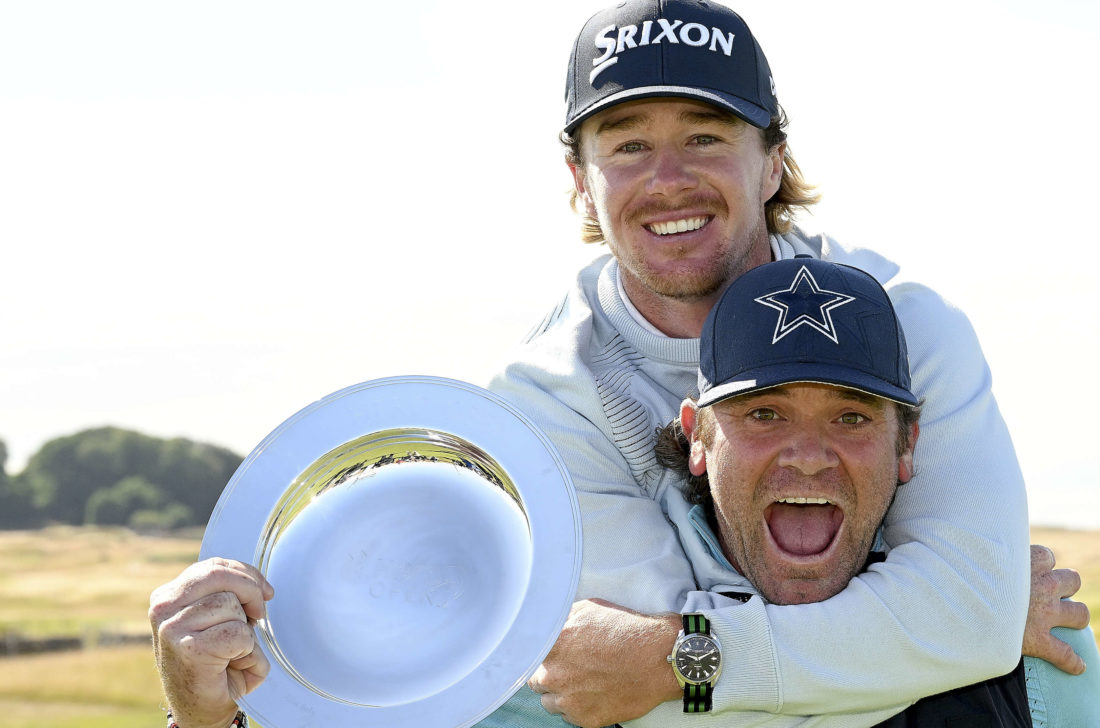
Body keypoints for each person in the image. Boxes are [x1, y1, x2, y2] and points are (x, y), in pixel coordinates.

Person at [147, 1, 1091, 727]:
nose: (668, 178)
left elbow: (659, 662)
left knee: (1058, 667)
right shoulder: (545, 400)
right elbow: (649, 684)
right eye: (629, 144)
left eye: (706, 138)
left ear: (771, 163)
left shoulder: (908, 319)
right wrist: (938, 636)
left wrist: (961, 633)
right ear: (581, 180)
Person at [651, 255, 1098, 725]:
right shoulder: (605, 644)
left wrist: (987, 630)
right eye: (765, 414)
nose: (808, 456)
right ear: (697, 437)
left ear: (907, 444)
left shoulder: (1035, 645)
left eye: (851, 418)